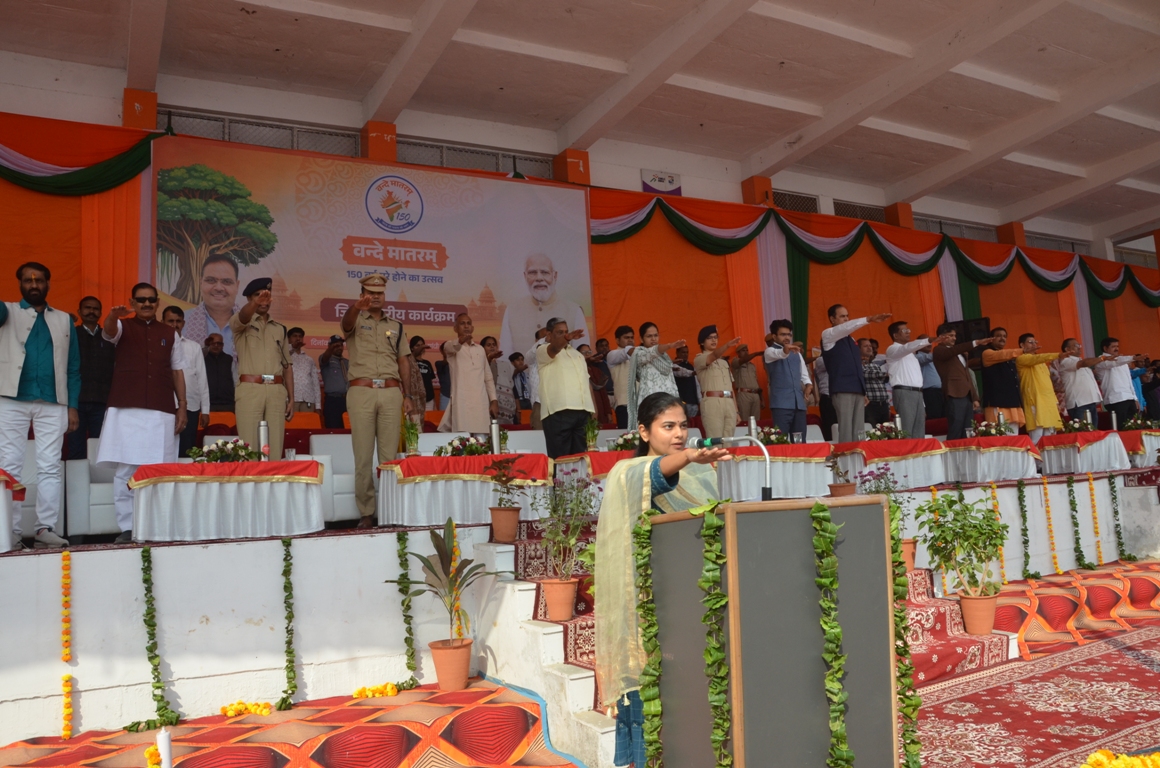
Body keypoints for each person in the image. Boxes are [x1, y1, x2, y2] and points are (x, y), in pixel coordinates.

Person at [593, 392, 727, 768]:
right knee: (654, 699)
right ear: (643, 431)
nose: (679, 434)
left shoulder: (700, 472)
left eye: (683, 426)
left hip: (693, 597)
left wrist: (694, 461)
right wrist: (689, 456)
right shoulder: (628, 473)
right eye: (668, 426)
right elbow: (655, 474)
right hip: (650, 606)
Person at [97, 283, 187, 543]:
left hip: (161, 409)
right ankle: (128, 526)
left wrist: (182, 405)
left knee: (160, 468)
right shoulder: (122, 326)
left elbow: (177, 371)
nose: (146, 304)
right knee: (126, 470)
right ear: (132, 303)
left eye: (151, 300)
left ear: (157, 302)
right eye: (141, 300)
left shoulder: (170, 333)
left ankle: (158, 525)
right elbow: (108, 331)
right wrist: (113, 315)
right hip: (127, 408)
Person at [0, 262, 79, 549]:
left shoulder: (64, 319)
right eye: (28, 280)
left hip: (53, 400)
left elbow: (73, 367)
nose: (34, 285)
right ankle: (9, 530)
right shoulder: (7, 311)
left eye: (39, 280)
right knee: (9, 465)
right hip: (11, 398)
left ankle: (45, 528)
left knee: (50, 466)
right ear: (20, 284)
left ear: (48, 283)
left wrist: (72, 406)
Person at [342, 274, 418, 527]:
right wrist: (356, 307)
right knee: (363, 457)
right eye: (370, 292)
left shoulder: (396, 325)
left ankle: (389, 510)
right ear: (362, 294)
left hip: (390, 392)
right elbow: (346, 323)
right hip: (362, 392)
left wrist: (407, 395)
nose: (375, 297)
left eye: (379, 293)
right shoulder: (354, 318)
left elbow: (403, 361)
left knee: (389, 458)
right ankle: (366, 512)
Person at [231, 278, 293, 460]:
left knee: (274, 448)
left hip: (276, 391)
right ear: (249, 299)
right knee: (249, 448)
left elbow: (287, 366)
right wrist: (255, 304)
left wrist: (291, 398)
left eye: (266, 296)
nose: (263, 300)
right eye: (258, 295)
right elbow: (243, 316)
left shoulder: (280, 329)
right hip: (250, 390)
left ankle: (273, 479)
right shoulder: (240, 323)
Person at [820, 305, 892, 442]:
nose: (846, 319)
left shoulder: (851, 340)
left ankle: (858, 455)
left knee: (859, 431)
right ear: (832, 319)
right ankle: (845, 455)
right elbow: (846, 328)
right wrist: (869, 319)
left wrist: (862, 391)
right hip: (842, 389)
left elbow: (856, 367)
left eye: (847, 316)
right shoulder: (828, 335)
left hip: (857, 389)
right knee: (846, 429)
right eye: (842, 316)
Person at [499, 253, 589, 359]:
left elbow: (582, 356)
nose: (539, 278)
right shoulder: (512, 311)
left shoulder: (574, 311)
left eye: (545, 272)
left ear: (554, 276)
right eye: (532, 272)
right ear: (525, 276)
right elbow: (504, 358)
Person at [537, 318, 596, 458]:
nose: (565, 335)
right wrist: (567, 338)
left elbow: (586, 382)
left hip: (583, 413)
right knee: (560, 460)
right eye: (560, 332)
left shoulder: (578, 355)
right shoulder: (543, 350)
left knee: (581, 459)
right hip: (558, 413)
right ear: (549, 335)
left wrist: (593, 409)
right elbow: (555, 348)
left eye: (566, 332)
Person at [69, 295, 115, 460]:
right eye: (87, 308)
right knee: (75, 448)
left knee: (100, 449)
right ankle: (76, 479)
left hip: (102, 402)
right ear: (79, 311)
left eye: (95, 309)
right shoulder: (71, 334)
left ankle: (99, 478)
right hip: (76, 402)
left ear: (101, 313)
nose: (91, 311)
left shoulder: (109, 336)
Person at [163, 306, 210, 458]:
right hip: (163, 406)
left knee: (187, 450)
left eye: (178, 321)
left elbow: (202, 380)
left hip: (191, 406)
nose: (174, 325)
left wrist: (205, 410)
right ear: (162, 322)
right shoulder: (156, 346)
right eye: (170, 321)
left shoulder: (194, 347)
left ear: (183, 323)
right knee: (163, 449)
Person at [932, 324, 994, 440]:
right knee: (956, 427)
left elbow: (967, 376)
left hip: (967, 395)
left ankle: (966, 450)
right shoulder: (939, 350)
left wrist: (974, 398)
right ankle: (951, 451)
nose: (954, 338)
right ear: (941, 337)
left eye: (955, 335)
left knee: (968, 429)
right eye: (951, 335)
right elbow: (953, 351)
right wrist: (976, 342)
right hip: (954, 393)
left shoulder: (959, 353)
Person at [442, 313, 498, 433]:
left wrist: (494, 400)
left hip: (481, 403)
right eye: (462, 323)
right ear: (455, 328)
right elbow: (452, 347)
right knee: (462, 439)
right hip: (462, 403)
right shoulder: (450, 346)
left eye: (468, 323)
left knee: (482, 439)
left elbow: (488, 378)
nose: (466, 326)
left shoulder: (480, 349)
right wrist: (460, 341)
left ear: (472, 328)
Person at [885, 321, 940, 440]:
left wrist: (922, 402)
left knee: (919, 429)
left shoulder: (911, 354)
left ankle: (919, 452)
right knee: (907, 429)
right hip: (904, 392)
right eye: (904, 331)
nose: (908, 333)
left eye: (908, 330)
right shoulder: (892, 349)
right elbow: (906, 347)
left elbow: (916, 379)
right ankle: (907, 451)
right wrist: (929, 340)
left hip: (918, 393)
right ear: (895, 335)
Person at [625, 322, 685, 430]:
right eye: (649, 336)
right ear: (641, 339)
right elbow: (653, 352)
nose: (653, 339)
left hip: (668, 400)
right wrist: (670, 346)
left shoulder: (664, 356)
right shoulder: (640, 354)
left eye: (655, 335)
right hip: (651, 402)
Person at [183, 254, 241, 358]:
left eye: (226, 282)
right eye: (211, 280)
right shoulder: (182, 323)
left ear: (237, 286)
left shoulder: (252, 325)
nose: (219, 288)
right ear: (201, 283)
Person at [763, 322, 812, 441]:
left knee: (799, 440)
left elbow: (804, 374)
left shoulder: (796, 353)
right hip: (781, 405)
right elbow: (781, 354)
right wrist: (786, 350)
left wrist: (808, 385)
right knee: (780, 440)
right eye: (783, 334)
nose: (787, 337)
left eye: (789, 335)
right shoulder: (769, 351)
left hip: (798, 404)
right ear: (774, 336)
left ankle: (799, 454)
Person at [694, 327, 742, 439]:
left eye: (715, 337)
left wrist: (736, 411)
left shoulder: (724, 362)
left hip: (729, 403)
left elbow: (731, 388)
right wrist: (727, 345)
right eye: (709, 338)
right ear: (702, 342)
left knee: (728, 442)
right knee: (715, 441)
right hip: (712, 402)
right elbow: (713, 356)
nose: (713, 340)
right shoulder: (699, 358)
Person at [1015, 333, 1062, 442]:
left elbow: (1048, 384)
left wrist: (1055, 401)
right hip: (1035, 401)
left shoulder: (1042, 363)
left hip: (1049, 403)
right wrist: (1058, 355)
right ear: (1022, 345)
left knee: (1050, 439)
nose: (1034, 344)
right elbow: (1037, 358)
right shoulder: (1021, 359)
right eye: (1030, 342)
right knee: (1037, 438)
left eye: (1035, 342)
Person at [979, 328, 1024, 430]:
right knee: (1000, 436)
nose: (1002, 338)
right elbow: (1002, 355)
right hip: (997, 403)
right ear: (991, 339)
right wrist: (1023, 350)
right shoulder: (987, 353)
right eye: (999, 336)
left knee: (1014, 437)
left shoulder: (1008, 358)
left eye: (1004, 336)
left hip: (1012, 403)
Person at [1058, 338, 1108, 425]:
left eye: (1079, 345)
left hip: (1090, 401)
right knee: (1083, 431)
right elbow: (1083, 363)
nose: (1079, 347)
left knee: (1094, 431)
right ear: (1067, 349)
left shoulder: (1080, 361)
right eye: (1076, 345)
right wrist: (1103, 358)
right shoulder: (1066, 361)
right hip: (1079, 403)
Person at [1095, 337, 1139, 428]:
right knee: (1121, 427)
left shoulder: (1122, 361)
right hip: (1115, 399)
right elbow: (1114, 363)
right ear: (1105, 348)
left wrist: (1135, 398)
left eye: (1117, 346)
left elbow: (1129, 381)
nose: (1117, 349)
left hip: (1129, 397)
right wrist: (1133, 358)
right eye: (1113, 346)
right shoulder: (1101, 361)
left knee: (1133, 427)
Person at [606, 325, 635, 429]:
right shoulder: (612, 355)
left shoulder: (638, 355)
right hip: (624, 405)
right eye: (626, 337)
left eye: (632, 337)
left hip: (641, 405)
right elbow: (626, 352)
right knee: (627, 437)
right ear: (617, 340)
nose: (630, 340)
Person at [287, 327, 320, 414]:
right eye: (295, 336)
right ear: (288, 339)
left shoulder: (309, 360)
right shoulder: (285, 357)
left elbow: (315, 383)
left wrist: (318, 405)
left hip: (308, 400)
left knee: (307, 423)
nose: (298, 338)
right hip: (291, 399)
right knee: (292, 423)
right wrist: (292, 347)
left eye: (300, 336)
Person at [319, 335, 350, 429]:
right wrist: (331, 349)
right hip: (333, 401)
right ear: (329, 346)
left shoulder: (347, 362)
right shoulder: (326, 360)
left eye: (341, 345)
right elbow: (325, 357)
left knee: (348, 430)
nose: (339, 347)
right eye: (335, 345)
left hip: (348, 400)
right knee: (333, 429)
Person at [860, 338, 891, 427]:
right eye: (865, 346)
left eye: (870, 346)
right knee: (872, 431)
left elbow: (882, 384)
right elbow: (865, 374)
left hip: (883, 404)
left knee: (886, 431)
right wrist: (884, 374)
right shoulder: (857, 364)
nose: (869, 348)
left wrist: (887, 406)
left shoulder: (876, 365)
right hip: (870, 405)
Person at [580, 343, 613, 425]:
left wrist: (608, 413)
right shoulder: (577, 371)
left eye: (589, 352)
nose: (587, 354)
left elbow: (603, 394)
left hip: (600, 407)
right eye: (584, 352)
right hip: (585, 409)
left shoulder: (597, 371)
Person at [203, 334, 236, 413]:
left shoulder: (229, 360)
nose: (216, 346)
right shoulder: (202, 359)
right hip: (206, 404)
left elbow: (236, 381)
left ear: (223, 345)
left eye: (219, 343)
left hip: (228, 404)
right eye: (213, 343)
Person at [525, 327, 549, 430]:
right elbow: (529, 356)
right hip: (540, 403)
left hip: (558, 404)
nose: (548, 339)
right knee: (540, 436)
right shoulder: (533, 356)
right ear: (537, 341)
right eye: (544, 337)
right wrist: (545, 340)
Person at [731, 344, 762, 424]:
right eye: (743, 351)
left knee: (756, 422)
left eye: (747, 350)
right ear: (738, 353)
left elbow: (756, 381)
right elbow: (742, 360)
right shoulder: (735, 362)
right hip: (744, 394)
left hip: (755, 394)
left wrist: (762, 398)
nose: (746, 352)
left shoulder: (752, 366)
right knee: (744, 420)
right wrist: (755, 354)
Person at [916, 334, 944, 419]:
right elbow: (926, 358)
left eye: (930, 342)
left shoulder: (932, 357)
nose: (929, 344)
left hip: (940, 391)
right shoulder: (917, 357)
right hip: (929, 393)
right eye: (926, 342)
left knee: (944, 417)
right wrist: (942, 350)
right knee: (934, 417)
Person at [813, 350, 836, 441]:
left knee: (841, 426)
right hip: (827, 397)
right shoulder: (820, 360)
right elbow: (833, 364)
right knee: (829, 427)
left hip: (840, 397)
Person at [672, 344, 699, 416]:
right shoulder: (673, 366)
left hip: (693, 402)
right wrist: (693, 373)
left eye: (687, 352)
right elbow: (681, 372)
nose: (685, 354)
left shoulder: (691, 366)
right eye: (683, 352)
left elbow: (697, 385)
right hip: (681, 402)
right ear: (677, 353)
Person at [411, 336, 436, 411]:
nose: (421, 347)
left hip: (429, 399)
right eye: (417, 345)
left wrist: (434, 401)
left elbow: (430, 383)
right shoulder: (409, 361)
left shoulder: (427, 363)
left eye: (422, 345)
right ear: (412, 348)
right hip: (415, 399)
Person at [593, 338, 615, 405]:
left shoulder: (614, 358)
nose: (604, 347)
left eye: (606, 345)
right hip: (604, 394)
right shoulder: (594, 361)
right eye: (601, 346)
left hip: (617, 393)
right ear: (596, 349)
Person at [435, 342, 451, 410]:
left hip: (457, 396)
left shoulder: (457, 364)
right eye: (446, 349)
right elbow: (445, 362)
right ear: (442, 351)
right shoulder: (439, 364)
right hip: (445, 395)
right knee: (443, 415)